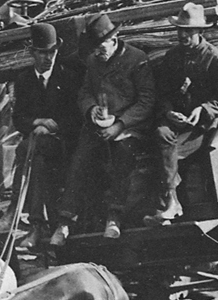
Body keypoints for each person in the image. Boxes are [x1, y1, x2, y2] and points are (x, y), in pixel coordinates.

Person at [62, 13, 155, 241]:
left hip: (130, 126)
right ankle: (65, 220)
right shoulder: (94, 62)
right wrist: (90, 108)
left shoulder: (137, 59)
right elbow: (84, 91)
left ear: (115, 39)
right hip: (100, 125)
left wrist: (121, 124)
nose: (97, 51)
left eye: (101, 45)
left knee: (123, 155)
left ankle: (114, 217)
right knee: (81, 157)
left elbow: (146, 100)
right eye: (94, 48)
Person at [151, 4, 218, 222]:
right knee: (161, 135)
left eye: (188, 31)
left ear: (200, 32)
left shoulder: (214, 58)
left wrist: (204, 109)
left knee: (170, 151)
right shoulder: (172, 57)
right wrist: (169, 111)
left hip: (203, 127)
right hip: (178, 123)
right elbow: (162, 93)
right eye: (180, 30)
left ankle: (169, 203)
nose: (183, 35)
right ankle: (172, 201)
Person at [13, 22, 81, 248]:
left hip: (63, 143)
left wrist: (54, 126)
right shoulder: (23, 80)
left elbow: (75, 117)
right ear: (33, 52)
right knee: (39, 161)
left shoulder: (68, 77)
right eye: (42, 53)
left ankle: (26, 219)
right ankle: (37, 225)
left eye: (52, 52)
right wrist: (38, 122)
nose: (48, 57)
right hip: (39, 145)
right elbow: (18, 118)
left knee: (27, 149)